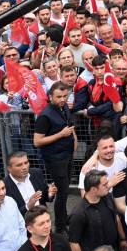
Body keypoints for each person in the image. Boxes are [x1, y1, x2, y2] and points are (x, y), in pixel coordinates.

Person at [32, 82, 74, 231]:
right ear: (50, 96)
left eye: (64, 96)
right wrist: (61, 135)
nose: (62, 99)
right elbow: (37, 141)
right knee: (62, 193)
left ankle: (63, 217)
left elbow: (69, 126)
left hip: (67, 155)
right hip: (55, 159)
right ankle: (60, 226)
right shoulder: (45, 115)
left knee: (65, 190)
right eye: (58, 97)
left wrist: (73, 139)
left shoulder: (64, 107)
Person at [68, 170, 126, 251]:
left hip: (113, 250)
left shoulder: (108, 197)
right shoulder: (78, 213)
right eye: (104, 185)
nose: (108, 186)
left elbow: (116, 218)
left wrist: (122, 239)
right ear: (93, 189)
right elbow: (74, 243)